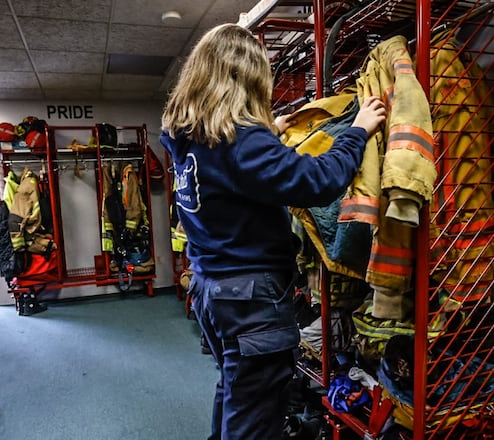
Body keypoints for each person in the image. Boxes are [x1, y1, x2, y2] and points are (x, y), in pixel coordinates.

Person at [159, 24, 386, 440]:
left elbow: (233, 170)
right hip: (251, 300)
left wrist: (269, 133)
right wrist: (357, 133)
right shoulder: (243, 145)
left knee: (235, 393)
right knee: (257, 417)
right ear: (249, 79)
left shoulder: (189, 137)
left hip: (212, 290)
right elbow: (317, 181)